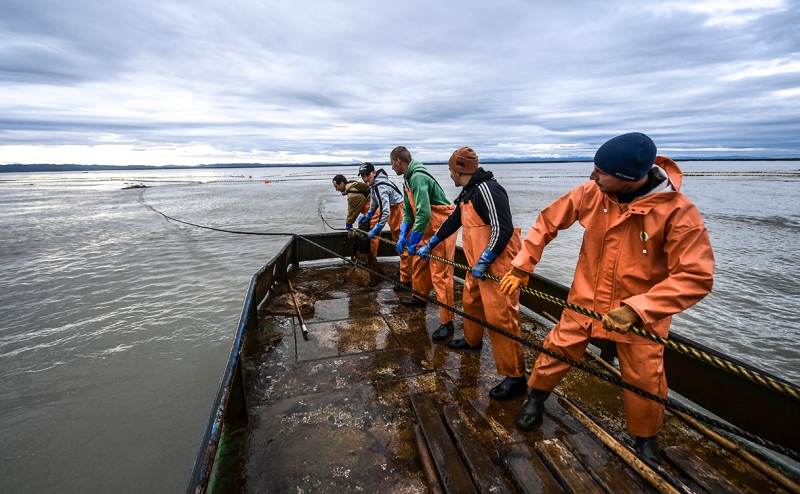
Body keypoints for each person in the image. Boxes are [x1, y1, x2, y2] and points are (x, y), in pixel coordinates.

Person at [499, 132, 714, 464]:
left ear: (629, 177)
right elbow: (547, 221)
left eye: (601, 172)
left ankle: (645, 438)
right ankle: (536, 399)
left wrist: (638, 309)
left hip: (641, 317)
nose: (592, 176)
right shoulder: (591, 192)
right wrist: (522, 265)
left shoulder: (679, 212)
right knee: (556, 349)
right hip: (584, 299)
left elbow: (695, 276)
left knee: (645, 376)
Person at [418, 147, 527, 400]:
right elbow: (452, 221)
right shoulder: (469, 192)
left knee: (502, 319)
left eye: (451, 170)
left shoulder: (489, 190)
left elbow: (503, 228)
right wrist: (432, 243)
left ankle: (516, 377)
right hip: (475, 266)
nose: (450, 175)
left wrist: (486, 259)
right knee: (471, 302)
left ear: (460, 170)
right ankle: (472, 341)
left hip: (497, 268)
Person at [391, 146, 457, 340]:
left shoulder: (418, 177)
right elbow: (409, 210)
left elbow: (425, 213)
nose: (392, 168)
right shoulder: (407, 179)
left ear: (398, 161)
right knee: (419, 264)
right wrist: (403, 233)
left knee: (441, 275)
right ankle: (419, 297)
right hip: (426, 229)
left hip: (441, 228)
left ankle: (448, 322)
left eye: (392, 164)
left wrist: (413, 240)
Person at [357, 162, 412, 288]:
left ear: (374, 172)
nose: (365, 178)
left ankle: (406, 279)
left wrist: (377, 228)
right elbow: (374, 201)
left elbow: (385, 212)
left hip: (398, 211)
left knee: (402, 245)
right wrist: (369, 214)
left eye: (367, 175)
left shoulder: (380, 186)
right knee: (398, 243)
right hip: (395, 211)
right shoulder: (375, 184)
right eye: (363, 176)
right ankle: (407, 271)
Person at [332, 174, 372, 245]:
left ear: (342, 184)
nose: (336, 189)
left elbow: (352, 212)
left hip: (373, 211)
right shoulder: (353, 185)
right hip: (371, 210)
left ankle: (369, 251)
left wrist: (349, 223)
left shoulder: (353, 194)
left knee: (371, 237)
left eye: (336, 186)